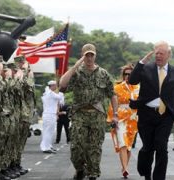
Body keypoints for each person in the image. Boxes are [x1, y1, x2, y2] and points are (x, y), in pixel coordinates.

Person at [128, 41, 174, 180]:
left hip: (165, 116)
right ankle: (146, 174)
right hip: (146, 114)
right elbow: (132, 80)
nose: (158, 56)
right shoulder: (146, 68)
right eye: (157, 53)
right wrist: (141, 62)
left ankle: (159, 178)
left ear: (168, 55)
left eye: (162, 53)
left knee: (161, 147)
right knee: (147, 148)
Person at [60, 43, 118, 180]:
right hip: (79, 113)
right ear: (83, 56)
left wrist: (115, 114)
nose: (90, 58)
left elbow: (112, 94)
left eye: (92, 55)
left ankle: (93, 174)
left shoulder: (103, 73)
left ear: (95, 56)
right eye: (87, 55)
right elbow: (62, 84)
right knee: (76, 147)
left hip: (97, 113)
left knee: (95, 147)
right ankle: (80, 169)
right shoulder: (76, 72)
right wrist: (75, 67)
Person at [107, 64, 139, 179]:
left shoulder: (138, 88)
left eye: (130, 74)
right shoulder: (117, 87)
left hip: (133, 119)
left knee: (129, 145)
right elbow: (112, 103)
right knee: (123, 143)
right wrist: (112, 118)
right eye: (125, 74)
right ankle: (125, 169)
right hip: (120, 117)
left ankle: (124, 166)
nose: (127, 76)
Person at [40, 80, 63, 154]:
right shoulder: (50, 93)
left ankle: (48, 146)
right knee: (48, 131)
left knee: (50, 131)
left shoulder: (47, 92)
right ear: (52, 86)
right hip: (49, 114)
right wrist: (60, 92)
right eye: (55, 85)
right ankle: (45, 147)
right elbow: (60, 98)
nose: (56, 87)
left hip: (50, 114)